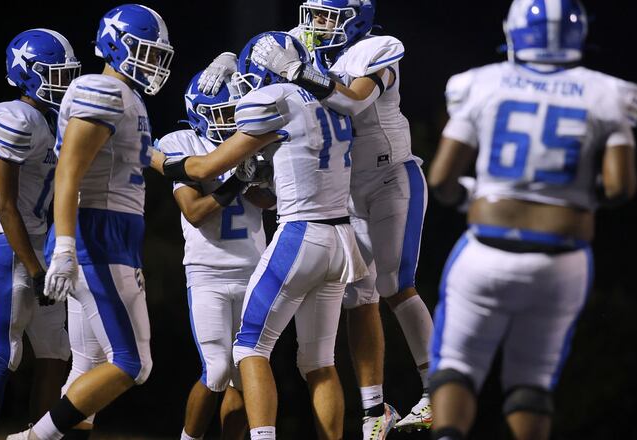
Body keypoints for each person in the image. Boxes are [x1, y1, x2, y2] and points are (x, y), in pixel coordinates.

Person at [426, 1, 637, 439]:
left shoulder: (482, 83)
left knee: (456, 367)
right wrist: (576, 200)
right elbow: (620, 187)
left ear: (514, 31)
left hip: (486, 251)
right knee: (532, 383)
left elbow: (442, 178)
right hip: (562, 261)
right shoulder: (607, 92)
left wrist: (469, 197)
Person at [152, 31, 367, 440]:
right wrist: (247, 177)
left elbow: (201, 169)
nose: (228, 117)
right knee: (317, 361)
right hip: (341, 237)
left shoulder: (269, 105)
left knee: (249, 350)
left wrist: (150, 156)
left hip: (300, 236)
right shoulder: (335, 101)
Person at [240, 1, 435, 435]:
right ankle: (374, 412)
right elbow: (259, 68)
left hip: (390, 177)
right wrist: (231, 69)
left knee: (394, 285)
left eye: (328, 16)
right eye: (313, 14)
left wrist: (299, 72)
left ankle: (437, 389)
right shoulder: (302, 45)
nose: (316, 25)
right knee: (359, 296)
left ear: (356, 19)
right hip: (342, 190)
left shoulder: (378, 48)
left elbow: (352, 101)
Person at [7, 4, 174, 440]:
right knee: (132, 363)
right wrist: (64, 246)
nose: (154, 63)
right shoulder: (100, 90)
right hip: (95, 239)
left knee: (90, 363)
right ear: (118, 44)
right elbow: (68, 172)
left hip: (114, 237)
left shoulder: (126, 97)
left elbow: (153, 160)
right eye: (147, 51)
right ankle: (32, 438)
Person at [0, 28, 80, 440]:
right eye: (55, 74)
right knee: (3, 353)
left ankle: (39, 436)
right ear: (28, 74)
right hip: (9, 246)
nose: (64, 83)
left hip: (39, 247)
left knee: (56, 352)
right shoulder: (12, 116)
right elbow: (5, 206)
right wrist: (37, 270)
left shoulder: (50, 119)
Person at [157, 71, 275, 440]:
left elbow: (271, 202)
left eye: (235, 111)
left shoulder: (251, 140)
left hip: (254, 271)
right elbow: (193, 212)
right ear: (200, 114)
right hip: (208, 273)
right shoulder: (185, 144)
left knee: (244, 375)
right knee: (217, 369)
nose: (232, 121)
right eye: (223, 113)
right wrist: (238, 178)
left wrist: (255, 178)